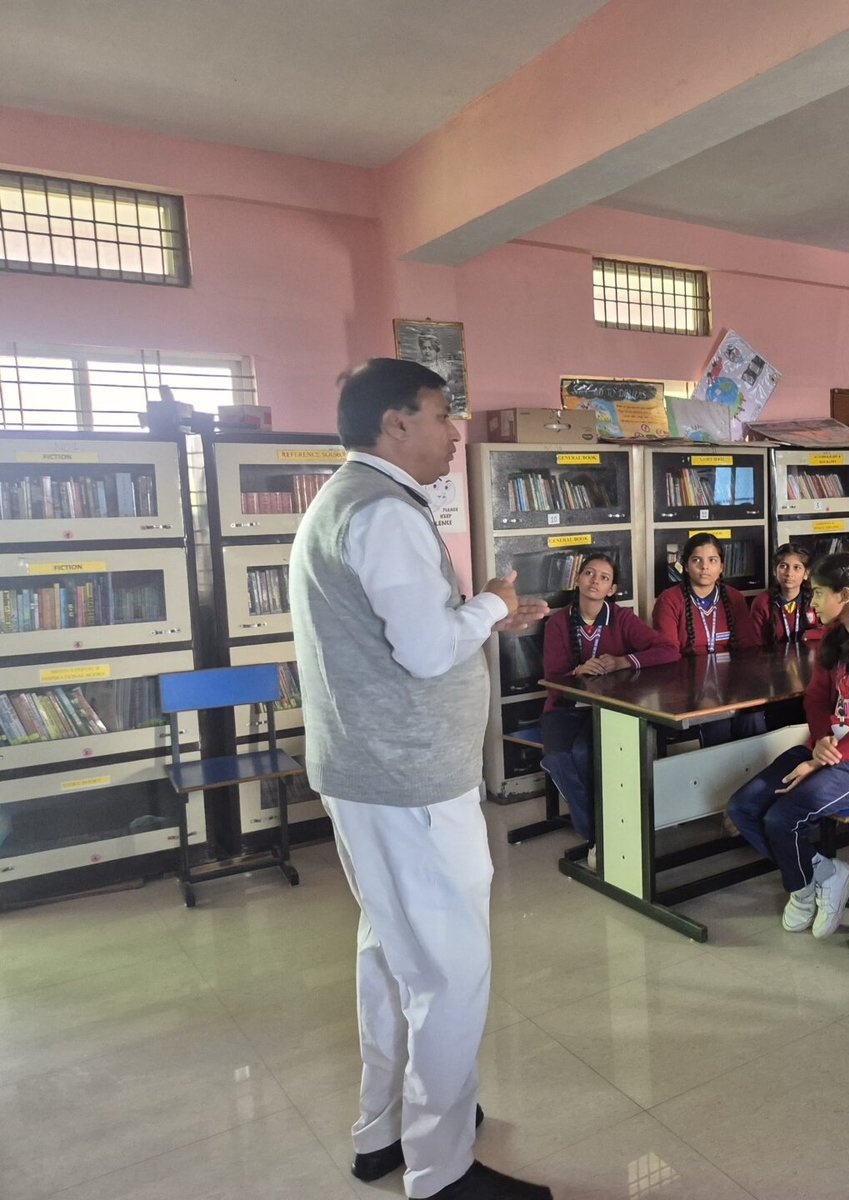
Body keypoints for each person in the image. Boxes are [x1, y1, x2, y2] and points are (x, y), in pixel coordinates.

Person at [288, 358, 553, 1200]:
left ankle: (384, 1132)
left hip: (371, 775)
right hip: (410, 785)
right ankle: (441, 1171)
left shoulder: (343, 501)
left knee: (393, 955)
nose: (456, 433)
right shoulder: (385, 513)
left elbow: (409, 632)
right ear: (395, 423)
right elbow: (429, 650)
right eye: (443, 415)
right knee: (448, 972)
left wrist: (482, 616)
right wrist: (493, 603)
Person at [725, 553, 849, 938]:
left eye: (820, 593)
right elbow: (815, 698)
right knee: (742, 807)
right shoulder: (835, 635)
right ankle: (825, 874)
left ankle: (800, 890)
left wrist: (824, 758)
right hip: (826, 747)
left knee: (781, 819)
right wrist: (823, 737)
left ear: (845, 595)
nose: (812, 602)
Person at [540, 554, 679, 849]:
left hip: (610, 710)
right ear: (577, 579)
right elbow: (552, 676)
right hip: (565, 709)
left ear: (612, 589)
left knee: (584, 753)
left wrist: (622, 661)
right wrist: (577, 671)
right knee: (558, 757)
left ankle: (604, 834)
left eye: (604, 577)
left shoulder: (621, 618)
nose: (595, 581)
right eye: (589, 573)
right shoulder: (558, 623)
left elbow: (669, 650)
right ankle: (597, 836)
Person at [652, 531, 764, 743]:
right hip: (688, 687)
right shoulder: (669, 600)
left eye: (712, 560)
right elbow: (668, 653)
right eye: (697, 560)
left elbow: (749, 648)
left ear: (721, 566)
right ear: (685, 566)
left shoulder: (734, 598)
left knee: (753, 718)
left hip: (732, 683)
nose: (705, 567)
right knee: (716, 724)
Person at [750, 542, 823, 644]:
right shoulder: (762, 602)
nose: (789, 573)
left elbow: (831, 631)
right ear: (775, 571)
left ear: (806, 574)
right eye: (783, 566)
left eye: (797, 567)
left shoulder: (816, 599)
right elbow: (754, 643)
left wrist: (810, 634)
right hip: (772, 655)